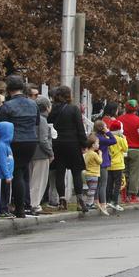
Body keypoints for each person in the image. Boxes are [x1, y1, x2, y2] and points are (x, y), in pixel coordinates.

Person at [0, 76, 39, 217]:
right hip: (31, 140)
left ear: (8, 89)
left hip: (15, 141)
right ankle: (26, 204)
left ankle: (19, 208)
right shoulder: (34, 104)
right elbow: (37, 123)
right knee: (24, 172)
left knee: (17, 174)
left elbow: (2, 127)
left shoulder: (6, 106)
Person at [47, 85, 89, 213]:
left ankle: (62, 199)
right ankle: (80, 200)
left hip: (57, 143)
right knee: (76, 172)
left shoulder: (52, 110)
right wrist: (84, 144)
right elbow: (80, 128)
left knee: (60, 172)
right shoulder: (74, 109)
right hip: (73, 143)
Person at [118, 99, 139, 204]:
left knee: (123, 172)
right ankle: (133, 196)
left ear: (125, 108)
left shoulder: (119, 119)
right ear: (136, 109)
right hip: (136, 150)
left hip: (122, 150)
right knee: (135, 174)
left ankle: (123, 195)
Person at [29, 96, 54, 215]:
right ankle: (35, 204)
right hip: (41, 154)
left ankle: (31, 202)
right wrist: (50, 153)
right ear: (47, 107)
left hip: (31, 152)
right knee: (39, 180)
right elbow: (43, 140)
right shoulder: (42, 120)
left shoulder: (32, 118)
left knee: (31, 179)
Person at [0, 121, 14, 217]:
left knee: (6, 193)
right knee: (0, 193)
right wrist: (7, 174)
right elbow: (2, 161)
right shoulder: (1, 145)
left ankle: (5, 209)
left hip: (7, 175)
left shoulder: (7, 145)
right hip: (1, 175)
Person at [106, 120, 128, 212]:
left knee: (109, 184)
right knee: (118, 184)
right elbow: (126, 148)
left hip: (109, 164)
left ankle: (108, 200)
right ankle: (115, 201)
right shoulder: (120, 139)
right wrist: (124, 138)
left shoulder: (107, 138)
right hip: (118, 165)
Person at [83, 134, 102, 210]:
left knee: (90, 189)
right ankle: (89, 203)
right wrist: (100, 154)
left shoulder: (87, 153)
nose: (98, 145)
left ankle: (89, 203)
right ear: (93, 145)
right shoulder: (94, 154)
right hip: (94, 174)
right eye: (98, 143)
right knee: (92, 190)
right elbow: (100, 161)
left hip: (87, 174)